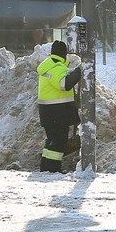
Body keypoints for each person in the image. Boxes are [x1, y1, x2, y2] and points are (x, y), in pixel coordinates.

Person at [35, 40, 82, 173]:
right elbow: (64, 84)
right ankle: (53, 169)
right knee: (59, 140)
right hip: (56, 111)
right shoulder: (57, 67)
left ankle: (46, 167)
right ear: (64, 53)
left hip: (48, 111)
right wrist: (79, 72)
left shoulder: (49, 65)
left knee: (52, 139)